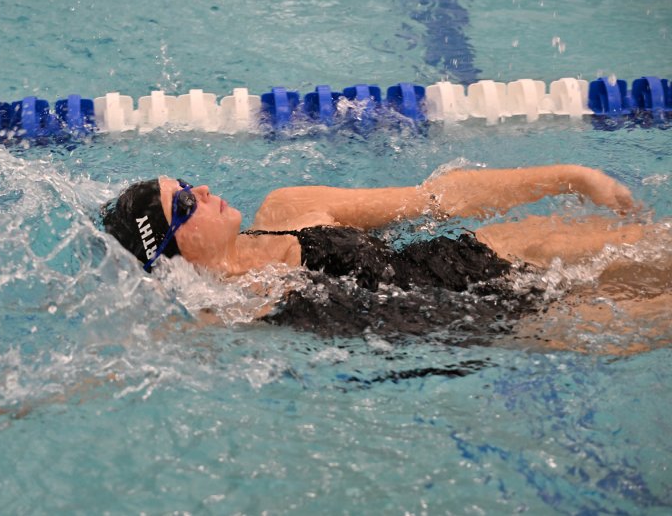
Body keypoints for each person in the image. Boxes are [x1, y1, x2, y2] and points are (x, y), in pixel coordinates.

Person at [101, 164, 657, 343]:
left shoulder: (289, 207)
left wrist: (567, 177)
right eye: (184, 206)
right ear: (173, 252)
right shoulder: (222, 314)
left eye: (187, 185)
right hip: (498, 322)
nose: (201, 191)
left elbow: (435, 198)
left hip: (476, 257)